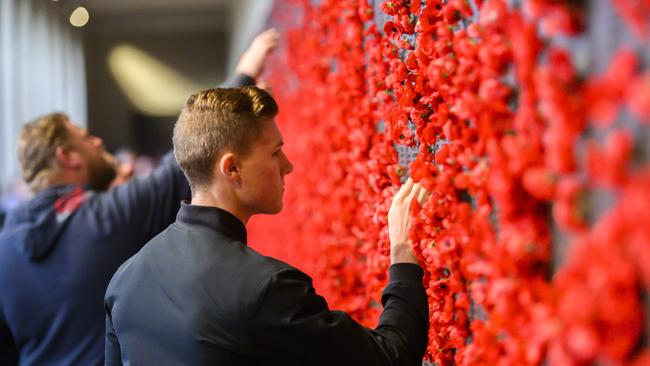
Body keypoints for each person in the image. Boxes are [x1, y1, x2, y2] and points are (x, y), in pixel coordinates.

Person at [0, 29, 280, 366]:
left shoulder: (6, 246)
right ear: (67, 157)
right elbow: (185, 163)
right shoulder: (103, 219)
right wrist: (244, 74)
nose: (99, 143)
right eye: (87, 139)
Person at [104, 85, 431, 365]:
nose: (287, 167)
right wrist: (402, 253)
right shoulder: (264, 289)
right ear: (232, 168)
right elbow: (391, 358)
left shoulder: (125, 279)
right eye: (275, 153)